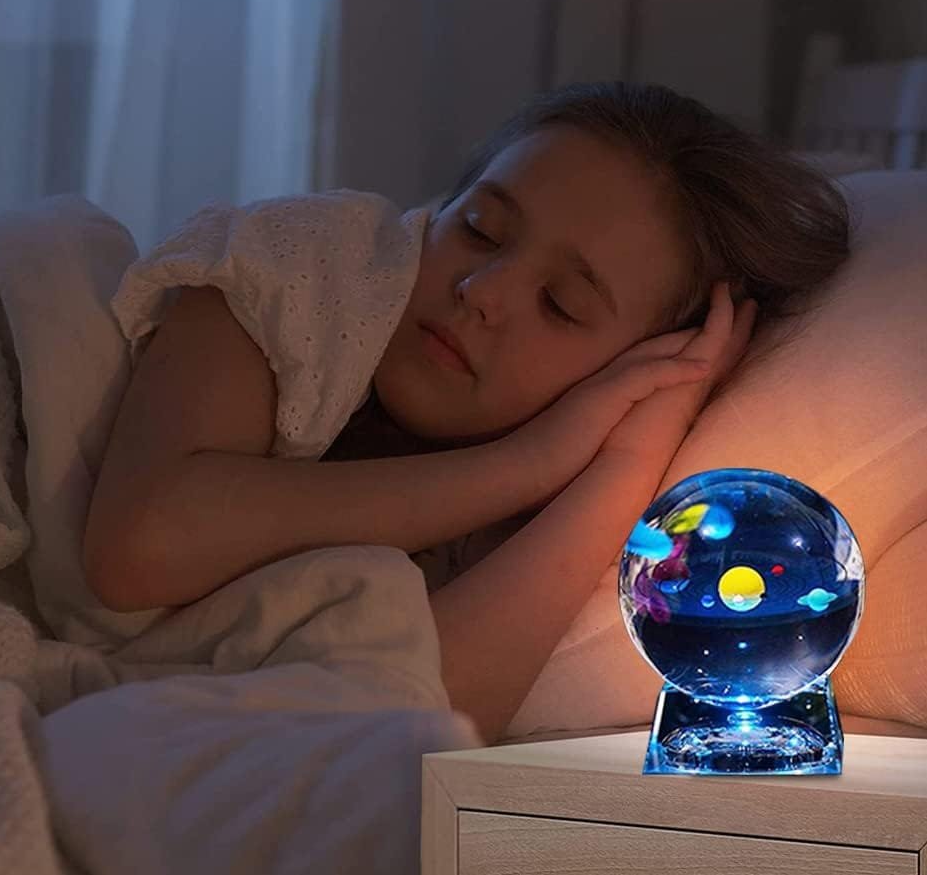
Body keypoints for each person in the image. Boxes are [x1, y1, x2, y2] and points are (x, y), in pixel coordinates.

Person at [82, 81, 850, 744]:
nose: (480, 290)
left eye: (560, 303)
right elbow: (138, 544)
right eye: (478, 228)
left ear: (636, 366)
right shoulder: (306, 264)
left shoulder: (489, 543)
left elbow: (382, 731)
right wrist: (526, 462)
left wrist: (622, 466)